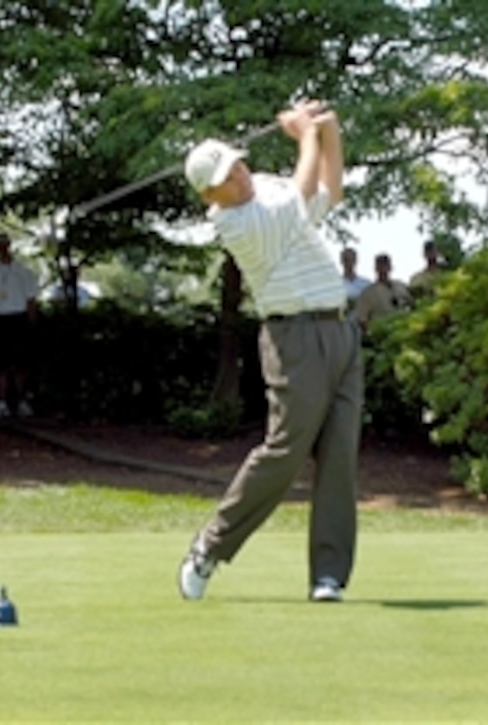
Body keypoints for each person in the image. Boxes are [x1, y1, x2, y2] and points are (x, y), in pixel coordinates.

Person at [178, 101, 361, 603]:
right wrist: (304, 137)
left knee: (340, 458)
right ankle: (209, 547)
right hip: (294, 338)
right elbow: (300, 199)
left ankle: (329, 576)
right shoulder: (234, 223)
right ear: (210, 194)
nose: (239, 175)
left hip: (341, 331)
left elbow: (329, 192)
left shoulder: (271, 187)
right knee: (284, 452)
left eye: (238, 164)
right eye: (226, 176)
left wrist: (329, 132)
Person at [0, 232, 38, 418]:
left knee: (20, 363)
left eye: (5, 244)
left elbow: (31, 301)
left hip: (18, 317)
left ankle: (21, 401)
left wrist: (31, 322)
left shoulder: (23, 272)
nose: (2, 248)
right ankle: (1, 401)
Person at [353, 253, 412, 330]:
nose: (383, 268)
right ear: (376, 268)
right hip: (382, 332)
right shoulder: (368, 292)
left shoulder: (401, 286)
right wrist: (373, 333)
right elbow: (362, 318)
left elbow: (412, 304)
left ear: (391, 267)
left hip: (404, 330)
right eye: (380, 265)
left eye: (386, 265)